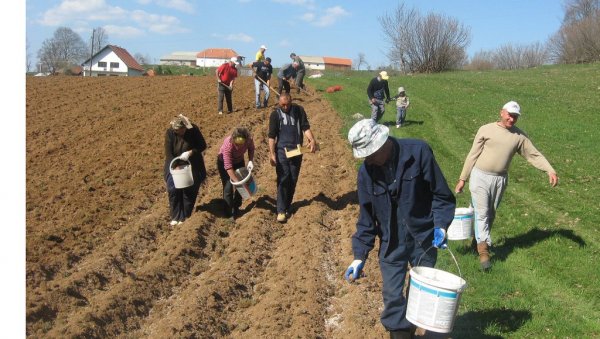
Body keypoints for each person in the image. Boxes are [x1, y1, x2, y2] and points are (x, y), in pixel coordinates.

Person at [344, 119, 456, 338]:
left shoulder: (418, 152)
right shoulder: (366, 173)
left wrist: (441, 226)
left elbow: (442, 195)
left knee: (420, 293)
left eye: (371, 153)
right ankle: (401, 333)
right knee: (392, 296)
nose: (369, 159)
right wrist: (359, 256)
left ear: (382, 142)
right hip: (391, 241)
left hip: (423, 238)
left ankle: (428, 330)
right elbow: (366, 219)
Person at [455, 101, 559, 270]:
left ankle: (477, 241)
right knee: (482, 213)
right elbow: (472, 155)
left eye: (515, 117)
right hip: (479, 176)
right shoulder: (486, 129)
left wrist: (550, 170)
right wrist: (462, 178)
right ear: (502, 113)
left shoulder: (519, 136)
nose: (512, 119)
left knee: (490, 214)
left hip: (500, 179)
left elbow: (533, 155)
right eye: (510, 115)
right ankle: (484, 253)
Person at [268, 93, 318, 223]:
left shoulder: (299, 110)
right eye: (282, 105)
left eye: (287, 104)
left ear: (291, 101)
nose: (285, 107)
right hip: (282, 151)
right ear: (279, 103)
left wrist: (311, 139)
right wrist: (272, 153)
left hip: (297, 150)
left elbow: (305, 127)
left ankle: (287, 205)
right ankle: (280, 210)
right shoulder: (275, 115)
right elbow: (272, 136)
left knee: (293, 178)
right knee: (283, 178)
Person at [164, 114, 207, 226]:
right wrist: (176, 165)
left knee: (189, 190)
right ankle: (175, 215)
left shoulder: (193, 130)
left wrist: (190, 152)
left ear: (185, 127)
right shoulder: (170, 133)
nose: (179, 132)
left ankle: (185, 216)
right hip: (174, 164)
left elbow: (202, 145)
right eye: (177, 130)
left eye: (181, 130)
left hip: (192, 163)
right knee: (173, 189)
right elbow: (169, 153)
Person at [217, 127, 255, 220]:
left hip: (239, 161)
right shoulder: (228, 145)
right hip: (224, 163)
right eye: (236, 144)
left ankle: (236, 206)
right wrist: (237, 181)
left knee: (240, 187)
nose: (238, 147)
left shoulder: (249, 140)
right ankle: (228, 212)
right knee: (228, 187)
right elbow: (228, 167)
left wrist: (250, 160)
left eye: (241, 144)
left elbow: (251, 148)